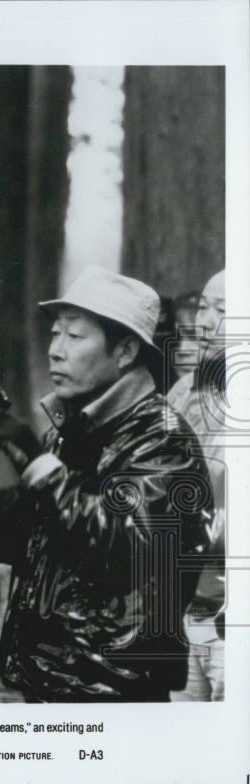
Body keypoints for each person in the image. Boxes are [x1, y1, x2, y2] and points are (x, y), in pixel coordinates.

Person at [0, 266, 213, 702]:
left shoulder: (162, 438)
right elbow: (8, 545)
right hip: (48, 680)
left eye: (74, 338)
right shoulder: (68, 431)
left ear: (127, 350)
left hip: (112, 689)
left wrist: (39, 466)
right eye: (55, 335)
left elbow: (123, 544)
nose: (56, 351)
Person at [168, 270, 225, 701]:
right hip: (184, 609)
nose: (204, 322)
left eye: (221, 310)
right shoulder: (183, 391)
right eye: (203, 307)